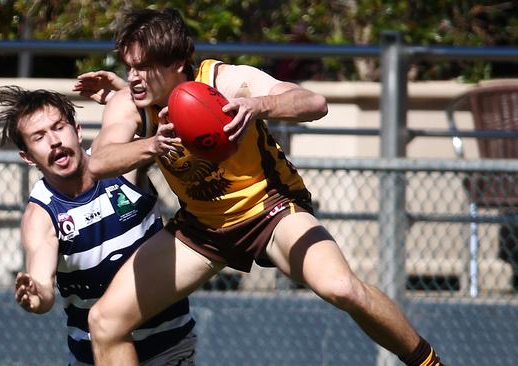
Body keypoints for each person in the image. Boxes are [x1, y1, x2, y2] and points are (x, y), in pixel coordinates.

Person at [79, 7, 444, 366]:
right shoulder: (132, 104)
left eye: (144, 66)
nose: (134, 77)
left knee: (342, 288)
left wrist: (257, 105)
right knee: (105, 322)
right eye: (129, 66)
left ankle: (428, 362)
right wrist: (151, 145)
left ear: (177, 62)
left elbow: (315, 103)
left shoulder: (223, 81)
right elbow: (98, 161)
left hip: (270, 211)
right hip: (203, 227)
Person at [0, 86, 197, 366]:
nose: (54, 141)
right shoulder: (42, 215)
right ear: (27, 157)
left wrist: (119, 92)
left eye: (58, 127)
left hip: (168, 347)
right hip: (95, 358)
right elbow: (43, 285)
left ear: (77, 130)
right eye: (39, 137)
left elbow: (156, 114)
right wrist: (36, 297)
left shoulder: (121, 164)